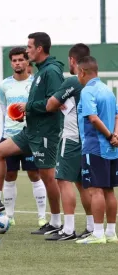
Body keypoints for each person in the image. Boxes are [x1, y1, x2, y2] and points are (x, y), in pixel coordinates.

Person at [0, 32, 64, 236]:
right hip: (29, 131)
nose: (26, 51)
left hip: (44, 133)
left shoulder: (51, 71)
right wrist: (24, 113)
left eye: (29, 47)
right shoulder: (40, 71)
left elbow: (54, 103)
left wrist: (27, 107)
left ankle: (56, 222)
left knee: (46, 177)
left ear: (39, 48)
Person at [45, 43, 93, 241]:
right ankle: (92, 226)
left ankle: (69, 229)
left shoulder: (73, 81)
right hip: (89, 139)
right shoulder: (94, 83)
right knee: (84, 184)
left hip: (72, 138)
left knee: (64, 181)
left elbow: (50, 105)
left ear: (72, 60)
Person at [0, 47, 46, 226]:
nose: (17, 63)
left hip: (31, 136)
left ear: (27, 62)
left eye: (20, 60)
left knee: (35, 174)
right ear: (11, 63)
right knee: (9, 175)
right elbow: (4, 111)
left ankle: (42, 216)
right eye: (14, 60)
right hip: (9, 136)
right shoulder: (4, 85)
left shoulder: (35, 84)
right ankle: (9, 216)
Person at [75, 56, 118, 244]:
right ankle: (111, 232)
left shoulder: (88, 91)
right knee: (109, 190)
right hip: (111, 147)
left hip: (95, 146)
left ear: (82, 72)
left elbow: (92, 118)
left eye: (77, 72)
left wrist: (108, 135)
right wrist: (115, 136)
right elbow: (117, 115)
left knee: (95, 190)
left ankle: (98, 234)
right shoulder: (108, 91)